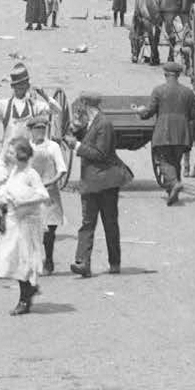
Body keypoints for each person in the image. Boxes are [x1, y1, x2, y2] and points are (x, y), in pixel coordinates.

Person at [67, 92, 125, 278]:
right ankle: (83, 262)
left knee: (109, 223)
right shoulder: (90, 123)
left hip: (106, 182)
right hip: (91, 182)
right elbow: (78, 134)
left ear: (87, 105)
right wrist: (75, 128)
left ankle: (114, 262)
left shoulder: (104, 124)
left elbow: (100, 153)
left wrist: (76, 146)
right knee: (87, 223)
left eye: (81, 106)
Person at [0, 135, 49, 315]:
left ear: (21, 154)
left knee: (23, 260)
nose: (8, 154)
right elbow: (8, 189)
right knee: (14, 258)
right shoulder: (15, 171)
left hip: (27, 224)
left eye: (11, 152)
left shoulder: (30, 174)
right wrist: (0, 199)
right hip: (14, 221)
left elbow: (43, 195)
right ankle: (29, 289)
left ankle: (25, 298)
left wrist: (22, 202)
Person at [139, 60, 195, 206]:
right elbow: (193, 115)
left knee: (162, 160)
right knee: (175, 161)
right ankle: (173, 192)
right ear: (178, 75)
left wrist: (140, 112)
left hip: (164, 132)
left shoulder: (159, 90)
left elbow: (149, 112)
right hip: (182, 134)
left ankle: (174, 183)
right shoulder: (188, 92)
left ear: (165, 74)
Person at [28, 111, 69, 274]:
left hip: (49, 194)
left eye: (43, 128)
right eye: (37, 129)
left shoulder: (53, 147)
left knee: (49, 232)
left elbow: (61, 170)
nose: (40, 131)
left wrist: (49, 182)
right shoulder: (26, 146)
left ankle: (49, 260)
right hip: (31, 194)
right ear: (30, 130)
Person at [0, 64, 54, 149]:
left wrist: (45, 96)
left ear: (28, 86)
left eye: (23, 86)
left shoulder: (35, 105)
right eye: (18, 86)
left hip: (28, 154)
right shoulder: (4, 105)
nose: (21, 89)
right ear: (13, 87)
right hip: (8, 153)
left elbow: (56, 110)